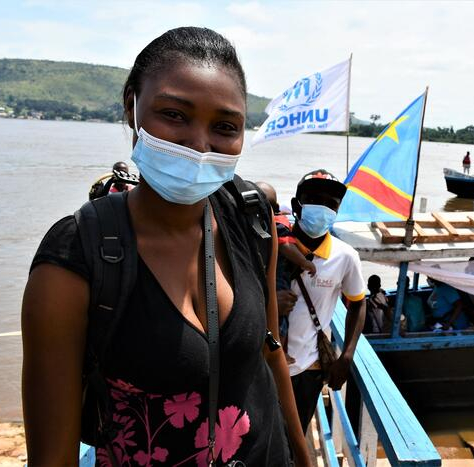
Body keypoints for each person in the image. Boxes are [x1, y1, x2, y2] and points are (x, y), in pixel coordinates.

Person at [21, 27, 310, 466]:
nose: (199, 145)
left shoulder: (249, 218)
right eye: (174, 114)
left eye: (225, 127)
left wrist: (304, 458)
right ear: (131, 106)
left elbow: (270, 353)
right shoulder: (75, 260)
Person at [285, 169, 366, 433]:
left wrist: (347, 356)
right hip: (264, 363)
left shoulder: (345, 257)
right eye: (314, 200)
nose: (323, 209)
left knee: (295, 436)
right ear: (297, 205)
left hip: (308, 367)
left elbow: (358, 303)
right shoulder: (271, 244)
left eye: (331, 204)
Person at [257, 181, 316, 364]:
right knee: (280, 319)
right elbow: (286, 246)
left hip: (275, 278)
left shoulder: (272, 225)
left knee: (280, 318)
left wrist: (303, 262)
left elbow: (286, 246)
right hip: (278, 278)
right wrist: (305, 262)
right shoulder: (275, 224)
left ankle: (279, 352)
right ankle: (280, 352)